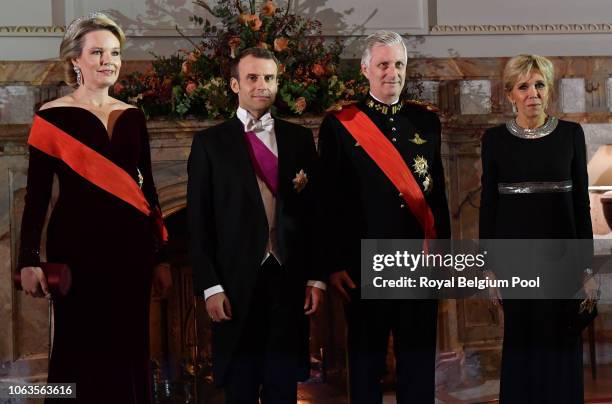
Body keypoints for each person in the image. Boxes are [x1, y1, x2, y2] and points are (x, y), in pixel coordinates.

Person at [18, 13, 171, 404]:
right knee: (78, 347)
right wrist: (28, 260)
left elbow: (148, 189)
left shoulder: (133, 116)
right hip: (78, 251)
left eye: (115, 53)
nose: (109, 60)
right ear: (76, 60)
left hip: (132, 252)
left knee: (130, 347)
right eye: (98, 52)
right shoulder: (51, 117)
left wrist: (162, 256)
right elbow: (36, 198)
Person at [317, 31, 450, 403]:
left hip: (418, 260)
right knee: (365, 364)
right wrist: (336, 263)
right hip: (364, 263)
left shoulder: (426, 122)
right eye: (384, 64)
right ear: (365, 69)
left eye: (399, 64)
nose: (392, 72)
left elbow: (437, 194)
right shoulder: (340, 125)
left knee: (418, 364)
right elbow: (328, 202)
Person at [187, 47, 325, 404]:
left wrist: (315, 277)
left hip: (287, 279)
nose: (261, 85)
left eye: (269, 78)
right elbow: (198, 223)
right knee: (241, 389)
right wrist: (210, 287)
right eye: (252, 77)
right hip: (233, 283)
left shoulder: (298, 138)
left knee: (283, 389)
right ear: (235, 84)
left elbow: (313, 215)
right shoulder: (209, 143)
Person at [479, 54, 597, 403]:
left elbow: (580, 206)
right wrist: (489, 267)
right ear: (509, 94)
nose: (533, 92)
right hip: (516, 266)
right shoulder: (495, 140)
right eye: (524, 86)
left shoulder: (571, 135)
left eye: (540, 84)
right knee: (523, 346)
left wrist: (587, 268)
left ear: (549, 90)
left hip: (563, 264)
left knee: (562, 347)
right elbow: (489, 206)